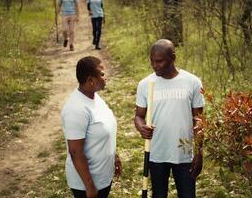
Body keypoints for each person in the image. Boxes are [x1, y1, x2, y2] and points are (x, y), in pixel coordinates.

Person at [134, 39, 204, 198]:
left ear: (173, 57)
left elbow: (199, 121)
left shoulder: (192, 82)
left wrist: (199, 152)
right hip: (156, 152)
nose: (154, 65)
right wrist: (141, 127)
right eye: (151, 60)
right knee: (159, 194)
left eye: (159, 61)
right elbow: (138, 116)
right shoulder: (145, 84)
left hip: (184, 153)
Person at [61, 56, 122, 198]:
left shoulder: (95, 98)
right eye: (102, 74)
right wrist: (89, 186)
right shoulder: (75, 109)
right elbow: (75, 152)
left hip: (102, 177)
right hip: (87, 184)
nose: (105, 77)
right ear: (90, 79)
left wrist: (114, 156)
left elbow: (104, 131)